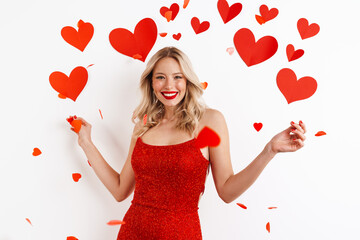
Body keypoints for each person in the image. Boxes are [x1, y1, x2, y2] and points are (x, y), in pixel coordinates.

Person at [71, 46, 307, 239]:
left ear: (188, 81)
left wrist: (269, 150)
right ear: (151, 84)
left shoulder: (210, 121)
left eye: (177, 77)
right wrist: (87, 144)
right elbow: (121, 189)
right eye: (160, 78)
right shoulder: (143, 125)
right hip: (133, 232)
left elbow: (226, 190)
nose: (169, 86)